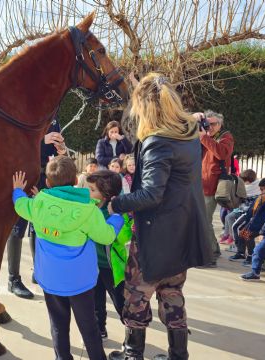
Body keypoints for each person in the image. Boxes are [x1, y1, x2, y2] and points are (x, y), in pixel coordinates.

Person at [107, 73, 212, 360]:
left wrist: (115, 205)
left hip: (156, 234)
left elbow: (151, 194)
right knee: (172, 291)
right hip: (181, 230)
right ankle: (179, 355)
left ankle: (132, 354)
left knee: (137, 295)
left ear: (145, 107)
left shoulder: (158, 141)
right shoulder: (188, 133)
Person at [12, 157, 124, 360]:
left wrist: (18, 190)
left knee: (58, 325)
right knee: (89, 327)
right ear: (75, 180)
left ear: (47, 182)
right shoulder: (89, 210)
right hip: (79, 282)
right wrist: (117, 217)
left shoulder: (39, 203)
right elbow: (107, 236)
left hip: (50, 280)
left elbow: (20, 205)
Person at [6, 118, 67, 299]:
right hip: (22, 177)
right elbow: (12, 144)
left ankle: (38, 271)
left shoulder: (54, 120)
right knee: (17, 229)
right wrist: (41, 139)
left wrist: (62, 150)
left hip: (44, 178)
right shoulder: (22, 114)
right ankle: (13, 279)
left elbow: (59, 155)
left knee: (39, 228)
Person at [86, 170, 133, 340]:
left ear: (105, 194)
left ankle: (132, 337)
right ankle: (100, 330)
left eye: (92, 189)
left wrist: (117, 217)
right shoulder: (89, 208)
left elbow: (123, 237)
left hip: (112, 269)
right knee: (96, 302)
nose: (88, 192)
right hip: (93, 266)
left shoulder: (118, 211)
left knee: (121, 302)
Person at [200, 110, 235, 267]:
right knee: (203, 221)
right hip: (201, 184)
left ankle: (210, 255)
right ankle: (213, 249)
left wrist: (203, 137)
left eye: (213, 124)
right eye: (208, 124)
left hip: (215, 186)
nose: (210, 127)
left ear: (220, 124)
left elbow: (221, 154)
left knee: (204, 222)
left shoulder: (225, 137)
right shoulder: (206, 137)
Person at [235, 177, 265, 267]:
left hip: (263, 225)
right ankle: (250, 255)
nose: (263, 191)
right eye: (262, 189)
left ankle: (255, 257)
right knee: (245, 235)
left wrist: (262, 230)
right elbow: (252, 210)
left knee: (250, 237)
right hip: (255, 223)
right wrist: (248, 219)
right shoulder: (262, 197)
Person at [220, 169, 261, 246]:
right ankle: (227, 234)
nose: (243, 183)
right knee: (228, 217)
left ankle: (233, 237)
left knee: (236, 225)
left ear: (249, 180)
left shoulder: (256, 187)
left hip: (248, 211)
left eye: (244, 181)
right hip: (241, 209)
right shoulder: (246, 186)